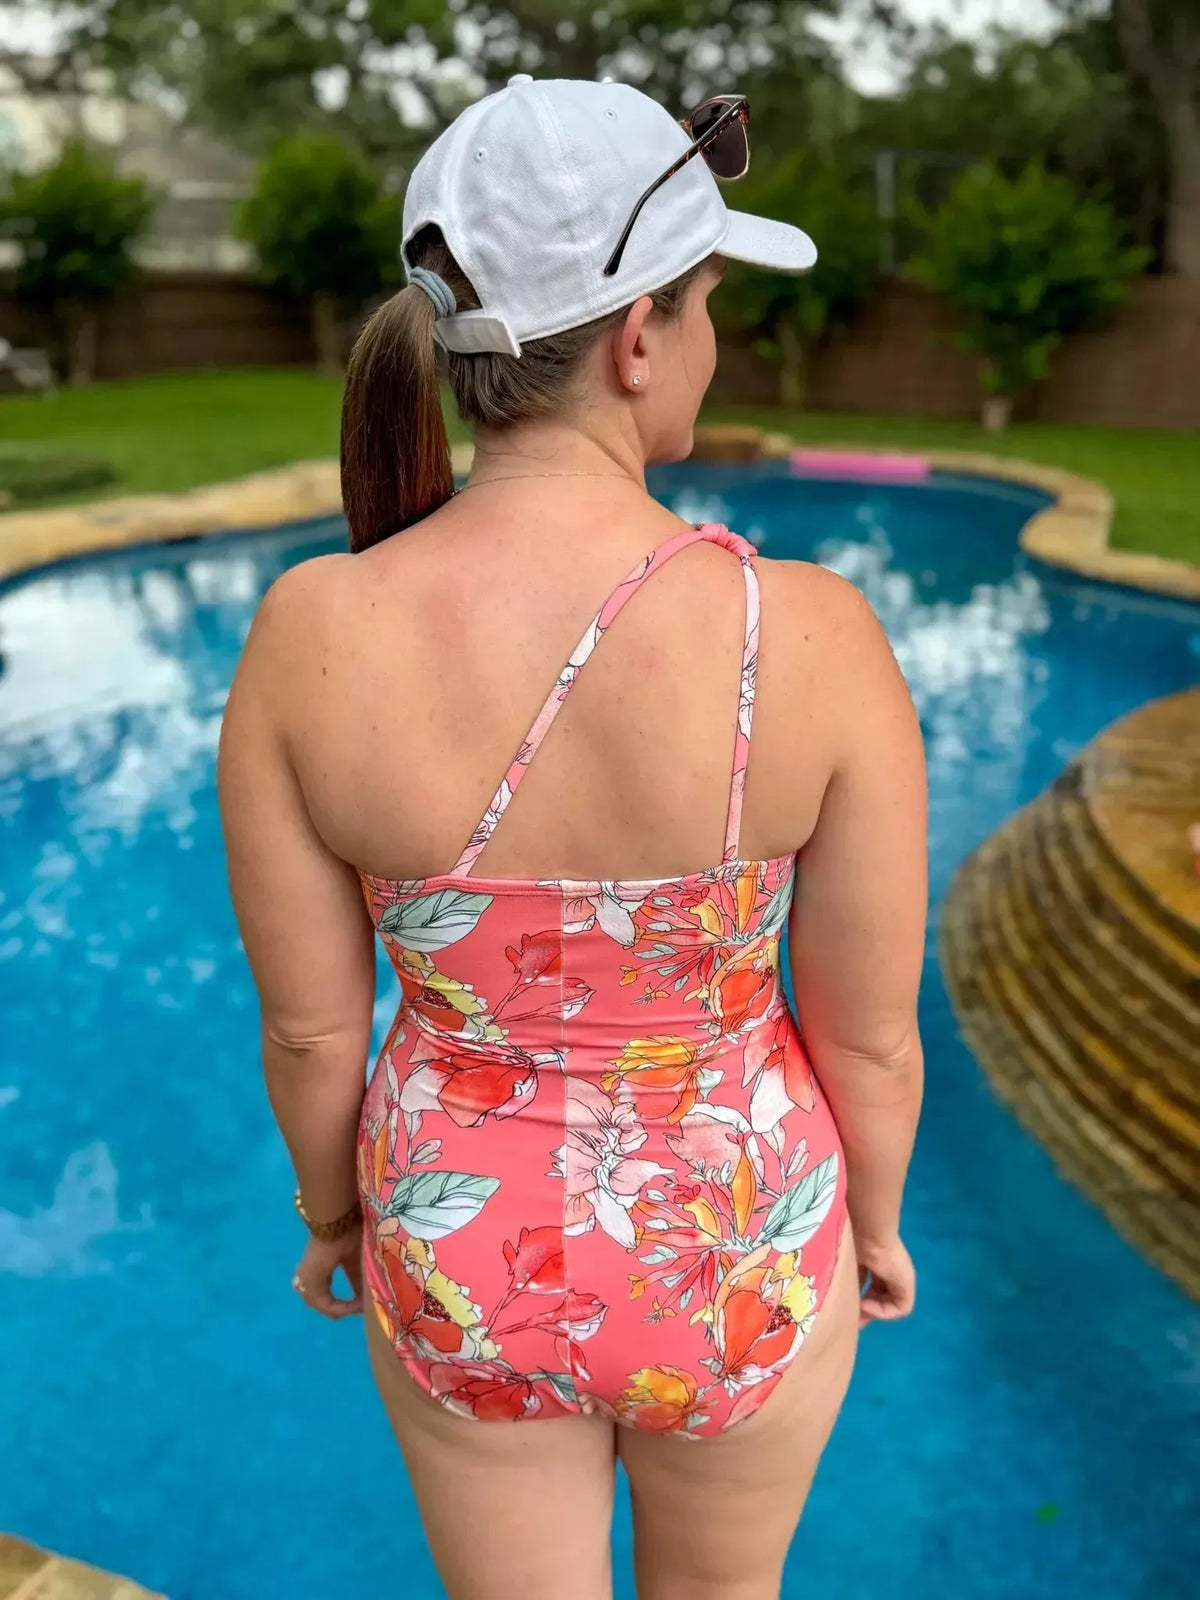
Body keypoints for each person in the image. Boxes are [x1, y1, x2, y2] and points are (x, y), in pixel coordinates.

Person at [219, 75, 925, 1600]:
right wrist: (873, 1222)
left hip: (459, 1240)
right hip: (735, 1233)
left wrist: (337, 1213)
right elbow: (868, 1041)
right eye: (712, 295)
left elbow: (305, 1026)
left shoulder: (310, 633)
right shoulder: (808, 636)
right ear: (637, 338)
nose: (713, 334)